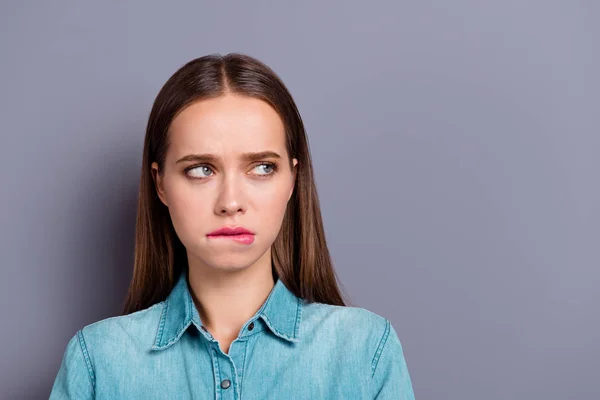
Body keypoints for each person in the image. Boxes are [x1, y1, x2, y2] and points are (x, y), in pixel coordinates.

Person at [49, 53, 415, 399]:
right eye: (200, 170)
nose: (230, 203)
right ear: (160, 184)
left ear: (291, 179)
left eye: (261, 168)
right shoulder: (98, 359)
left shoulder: (365, 349)